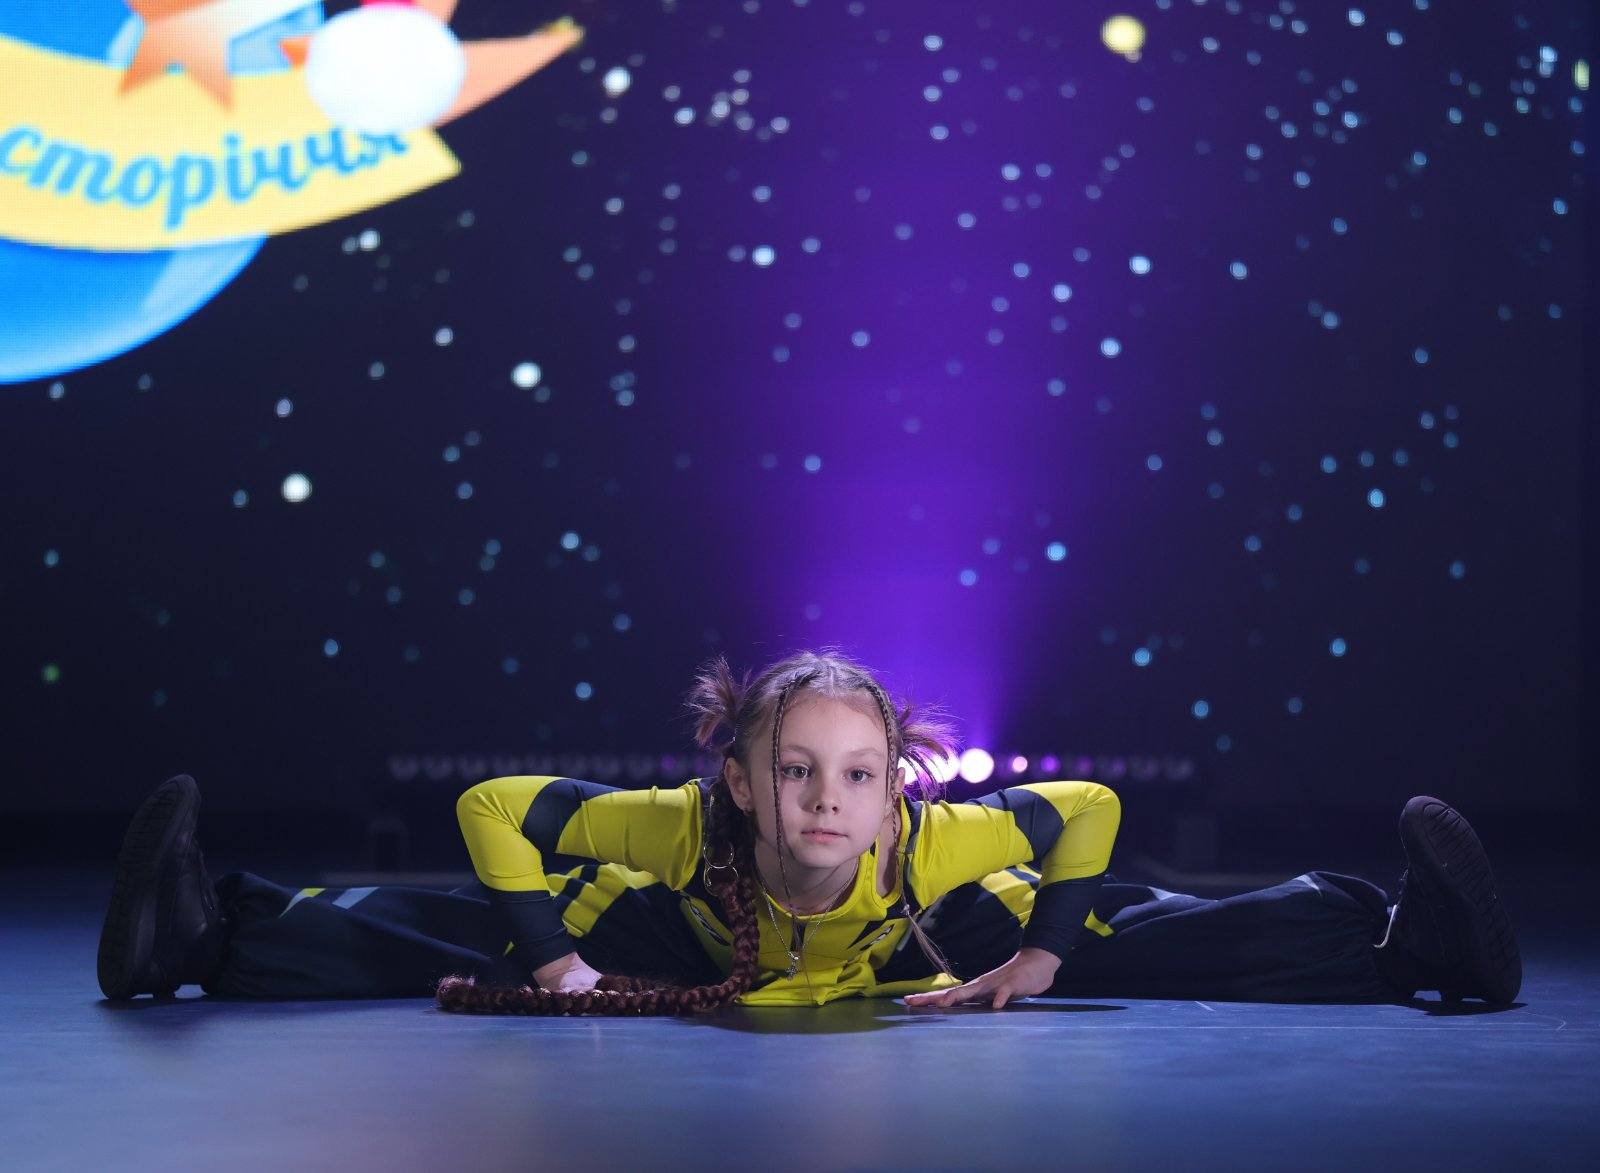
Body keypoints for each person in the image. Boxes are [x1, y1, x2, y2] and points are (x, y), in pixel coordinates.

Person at [97, 648, 1523, 1014]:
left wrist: (1035, 955)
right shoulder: (677, 828)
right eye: (794, 772)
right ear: (740, 780)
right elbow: (491, 809)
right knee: (456, 923)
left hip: (909, 945)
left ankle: (1405, 939)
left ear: (895, 785)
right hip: (699, 935)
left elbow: (1085, 811)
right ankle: (203, 931)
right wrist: (552, 958)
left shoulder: (928, 845)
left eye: (856, 773)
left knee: (1127, 926)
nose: (827, 800)